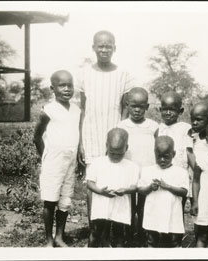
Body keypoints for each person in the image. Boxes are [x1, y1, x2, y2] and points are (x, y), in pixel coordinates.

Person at [76, 30, 134, 224]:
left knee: (118, 179)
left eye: (108, 45)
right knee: (94, 181)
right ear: (93, 47)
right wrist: (81, 142)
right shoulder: (84, 74)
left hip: (115, 136)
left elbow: (126, 107)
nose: (104, 49)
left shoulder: (123, 74)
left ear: (114, 48)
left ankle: (117, 227)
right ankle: (95, 228)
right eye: (100, 45)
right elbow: (83, 110)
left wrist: (120, 134)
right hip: (91, 134)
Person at [33, 70, 81, 247]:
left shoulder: (76, 110)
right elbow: (37, 137)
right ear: (53, 88)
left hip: (71, 159)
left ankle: (60, 236)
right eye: (62, 85)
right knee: (51, 199)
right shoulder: (48, 110)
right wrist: (46, 157)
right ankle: (49, 239)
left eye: (70, 85)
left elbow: (77, 133)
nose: (67, 89)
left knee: (65, 199)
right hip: (53, 159)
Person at [117, 87, 158, 246]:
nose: (136, 110)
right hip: (128, 171)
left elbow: (157, 148)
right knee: (127, 204)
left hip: (146, 171)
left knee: (143, 204)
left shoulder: (153, 126)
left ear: (147, 107)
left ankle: (141, 234)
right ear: (127, 105)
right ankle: (126, 234)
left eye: (141, 106)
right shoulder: (122, 125)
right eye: (133, 106)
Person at [86, 128, 139, 247]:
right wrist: (100, 191)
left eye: (119, 154)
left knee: (119, 234)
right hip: (101, 205)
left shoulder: (132, 166)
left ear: (126, 148)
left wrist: (125, 190)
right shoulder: (98, 162)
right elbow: (89, 183)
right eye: (112, 153)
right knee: (95, 231)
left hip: (120, 207)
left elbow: (135, 187)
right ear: (106, 146)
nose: (115, 156)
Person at [138, 136, 188, 248]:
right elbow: (140, 189)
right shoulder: (147, 170)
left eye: (166, 157)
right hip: (153, 212)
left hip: (172, 212)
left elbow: (184, 192)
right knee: (151, 239)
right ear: (154, 153)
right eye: (159, 156)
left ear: (173, 154)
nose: (162, 160)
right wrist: (150, 187)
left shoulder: (181, 172)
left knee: (173, 240)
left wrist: (168, 186)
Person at [155, 91, 193, 216]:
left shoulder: (185, 128)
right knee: (161, 203)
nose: (168, 112)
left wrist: (195, 171)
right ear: (160, 110)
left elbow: (189, 150)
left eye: (172, 109)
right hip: (162, 170)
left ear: (180, 111)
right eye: (165, 109)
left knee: (177, 206)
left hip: (179, 172)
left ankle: (176, 233)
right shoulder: (158, 128)